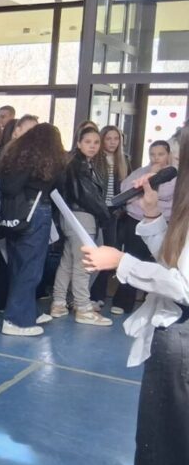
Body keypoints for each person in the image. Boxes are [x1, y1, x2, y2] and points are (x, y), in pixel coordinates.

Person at [81, 140, 189, 465]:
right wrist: (152, 216)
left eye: (180, 158)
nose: (173, 167)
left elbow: (182, 283)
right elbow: (176, 260)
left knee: (165, 461)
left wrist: (120, 263)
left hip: (182, 347)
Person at [0, 124, 67, 336]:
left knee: (18, 265)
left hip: (16, 216)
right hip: (36, 214)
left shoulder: (14, 156)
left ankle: (28, 312)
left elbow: (8, 186)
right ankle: (16, 320)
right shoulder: (45, 164)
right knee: (31, 268)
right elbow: (59, 185)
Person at [51, 126, 112, 326]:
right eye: (87, 142)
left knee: (68, 261)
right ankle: (83, 307)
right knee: (84, 264)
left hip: (70, 217)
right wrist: (105, 213)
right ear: (78, 143)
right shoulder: (79, 166)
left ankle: (59, 303)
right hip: (82, 217)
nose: (92, 146)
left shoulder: (76, 163)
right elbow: (86, 196)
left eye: (96, 142)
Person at [111, 141, 176, 316]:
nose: (156, 158)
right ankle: (123, 302)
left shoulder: (174, 174)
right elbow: (125, 190)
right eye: (153, 154)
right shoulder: (140, 172)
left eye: (160, 154)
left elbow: (167, 195)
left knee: (160, 262)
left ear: (168, 155)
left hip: (165, 222)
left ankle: (157, 305)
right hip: (136, 220)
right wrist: (147, 178)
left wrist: (152, 184)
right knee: (132, 258)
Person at [90, 125, 130, 310]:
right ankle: (88, 295)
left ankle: (99, 295)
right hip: (97, 210)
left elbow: (128, 189)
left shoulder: (124, 160)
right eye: (109, 138)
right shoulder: (95, 160)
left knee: (109, 253)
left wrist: (121, 208)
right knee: (93, 252)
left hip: (114, 213)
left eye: (116, 138)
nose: (113, 142)